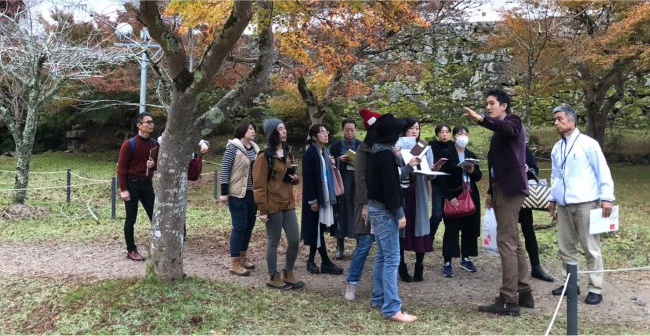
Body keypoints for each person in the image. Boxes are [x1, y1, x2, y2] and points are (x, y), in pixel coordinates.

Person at [464, 89, 534, 316]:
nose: (487, 107)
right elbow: (496, 165)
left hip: (512, 190)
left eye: (492, 103)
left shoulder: (513, 121)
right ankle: (523, 292)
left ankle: (508, 299)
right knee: (513, 240)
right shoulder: (499, 130)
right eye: (486, 104)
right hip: (502, 189)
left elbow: (508, 129)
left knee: (506, 242)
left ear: (504, 106)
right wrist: (491, 193)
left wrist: (481, 120)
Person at [547, 104, 614, 305]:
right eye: (555, 119)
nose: (556, 123)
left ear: (571, 120)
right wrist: (552, 198)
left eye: (560, 119)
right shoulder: (557, 147)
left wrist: (606, 197)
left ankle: (595, 287)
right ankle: (571, 283)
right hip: (564, 204)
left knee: (590, 246)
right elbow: (555, 175)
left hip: (585, 203)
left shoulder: (588, 144)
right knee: (566, 247)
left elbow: (602, 170)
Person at [367, 113, 418, 323]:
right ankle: (392, 308)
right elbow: (390, 188)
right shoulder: (385, 155)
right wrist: (399, 213)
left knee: (382, 256)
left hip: (375, 208)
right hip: (385, 211)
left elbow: (390, 179)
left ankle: (378, 298)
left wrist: (405, 165)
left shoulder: (378, 152)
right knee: (392, 259)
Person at [252, 118, 305, 289]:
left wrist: (295, 179)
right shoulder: (264, 156)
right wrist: (263, 210)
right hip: (272, 203)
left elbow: (289, 178)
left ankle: (288, 272)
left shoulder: (288, 152)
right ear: (273, 133)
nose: (284, 131)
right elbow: (259, 185)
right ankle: (273, 276)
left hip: (288, 202)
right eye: (280, 129)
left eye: (284, 128)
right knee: (273, 241)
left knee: (295, 239)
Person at [344, 108, 382, 301]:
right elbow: (359, 179)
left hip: (384, 203)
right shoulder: (363, 149)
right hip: (366, 203)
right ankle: (352, 283)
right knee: (365, 243)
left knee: (384, 247)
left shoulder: (386, 147)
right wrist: (365, 204)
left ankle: (381, 287)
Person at [438, 125, 482, 278]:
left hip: (470, 195)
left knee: (469, 228)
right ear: (454, 136)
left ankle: (466, 258)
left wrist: (472, 170)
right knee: (451, 229)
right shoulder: (446, 154)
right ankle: (447, 261)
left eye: (465, 133)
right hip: (454, 195)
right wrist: (450, 197)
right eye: (459, 133)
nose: (463, 136)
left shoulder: (471, 154)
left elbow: (478, 176)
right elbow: (440, 178)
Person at [397, 118, 436, 282]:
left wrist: (434, 170)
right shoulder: (396, 147)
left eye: (417, 128)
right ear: (404, 130)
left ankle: (419, 265)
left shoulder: (425, 148)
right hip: (401, 192)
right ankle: (401, 266)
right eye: (411, 128)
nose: (415, 131)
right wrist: (398, 155)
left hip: (419, 192)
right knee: (401, 228)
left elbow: (430, 176)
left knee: (419, 226)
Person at [302, 124, 344, 275]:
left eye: (327, 131)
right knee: (316, 228)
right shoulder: (310, 154)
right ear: (314, 137)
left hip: (325, 196)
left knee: (318, 228)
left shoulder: (325, 152)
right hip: (316, 198)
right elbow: (308, 179)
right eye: (322, 133)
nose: (326, 134)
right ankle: (323, 261)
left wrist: (333, 164)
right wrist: (312, 200)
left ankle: (312, 260)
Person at [219, 121, 260, 277]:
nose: (253, 131)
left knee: (249, 225)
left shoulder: (255, 150)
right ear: (242, 131)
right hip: (236, 193)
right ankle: (234, 262)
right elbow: (224, 170)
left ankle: (243, 257)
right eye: (250, 128)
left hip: (252, 193)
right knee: (239, 226)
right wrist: (224, 193)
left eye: (254, 128)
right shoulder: (232, 149)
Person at [117, 113, 157, 262]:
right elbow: (121, 169)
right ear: (139, 125)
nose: (151, 124)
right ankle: (131, 250)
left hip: (147, 185)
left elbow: (158, 164)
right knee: (131, 219)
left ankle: (158, 246)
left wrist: (153, 165)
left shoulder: (154, 144)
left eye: (152, 122)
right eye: (148, 122)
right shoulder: (129, 144)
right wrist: (123, 190)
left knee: (155, 217)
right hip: (131, 185)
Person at [520, 145, 554, 282]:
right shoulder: (499, 143)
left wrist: (528, 170)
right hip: (505, 195)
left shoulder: (522, 147)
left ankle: (536, 266)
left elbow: (535, 169)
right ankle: (514, 268)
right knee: (508, 235)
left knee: (528, 230)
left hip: (524, 196)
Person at [330, 119, 361, 260]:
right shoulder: (336, 146)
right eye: (347, 130)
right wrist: (338, 159)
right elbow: (328, 163)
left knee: (357, 212)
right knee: (341, 212)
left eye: (352, 130)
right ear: (343, 130)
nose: (350, 132)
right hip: (341, 181)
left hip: (357, 182)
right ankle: (340, 245)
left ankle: (359, 245)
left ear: (356, 130)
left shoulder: (361, 145)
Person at [429, 123, 454, 242]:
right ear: (437, 134)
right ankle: (428, 238)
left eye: (447, 132)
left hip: (450, 186)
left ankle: (448, 243)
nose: (444, 134)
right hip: (437, 185)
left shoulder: (453, 146)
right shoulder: (431, 146)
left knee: (449, 217)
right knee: (437, 215)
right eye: (441, 132)